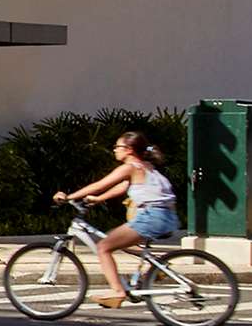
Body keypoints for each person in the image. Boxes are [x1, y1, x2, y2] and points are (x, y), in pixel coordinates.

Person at [55, 131, 181, 309]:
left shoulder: (129, 167)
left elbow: (100, 184)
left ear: (129, 150)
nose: (114, 150)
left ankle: (117, 292)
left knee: (103, 247)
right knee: (118, 241)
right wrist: (99, 199)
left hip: (152, 216)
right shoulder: (146, 166)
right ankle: (157, 266)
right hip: (167, 216)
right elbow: (121, 187)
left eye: (117, 146)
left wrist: (68, 197)